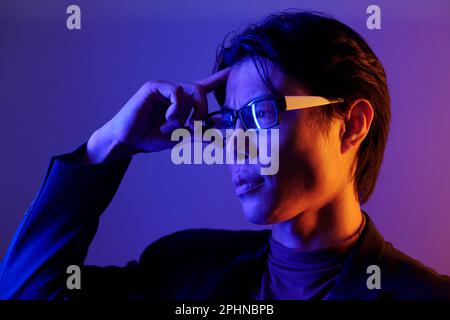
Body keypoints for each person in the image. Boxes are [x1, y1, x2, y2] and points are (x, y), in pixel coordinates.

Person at [1, 11, 449, 300]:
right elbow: (25, 292)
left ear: (351, 124)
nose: (233, 143)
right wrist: (113, 143)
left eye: (259, 114)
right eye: (230, 121)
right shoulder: (184, 270)